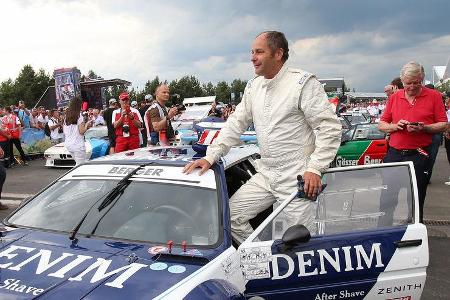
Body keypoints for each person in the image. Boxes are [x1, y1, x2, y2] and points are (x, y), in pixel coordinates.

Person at [183, 31, 342, 244]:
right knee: (230, 218)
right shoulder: (253, 86)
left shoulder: (302, 83)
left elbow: (329, 128)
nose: (252, 57)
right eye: (252, 52)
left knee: (299, 239)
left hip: (298, 176)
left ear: (278, 54)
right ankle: (264, 261)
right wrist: (211, 156)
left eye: (259, 52)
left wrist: (314, 169)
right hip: (266, 172)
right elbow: (235, 123)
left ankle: (294, 272)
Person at [378, 61, 447, 223]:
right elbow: (381, 125)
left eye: (417, 82)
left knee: (416, 197)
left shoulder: (434, 96)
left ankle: (414, 233)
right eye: (409, 83)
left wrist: (424, 128)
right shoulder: (395, 97)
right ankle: (383, 233)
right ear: (402, 82)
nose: (413, 87)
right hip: (394, 154)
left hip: (419, 154)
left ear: (422, 79)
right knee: (387, 197)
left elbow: (443, 124)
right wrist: (396, 126)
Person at [63, 97, 93, 166]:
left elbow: (65, 131)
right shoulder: (79, 116)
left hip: (69, 144)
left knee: (79, 164)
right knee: (80, 166)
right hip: (78, 144)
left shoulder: (66, 116)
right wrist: (87, 125)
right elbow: (81, 131)